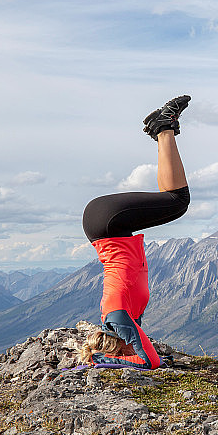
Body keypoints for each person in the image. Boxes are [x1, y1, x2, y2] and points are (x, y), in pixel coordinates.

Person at [78, 95, 192, 369]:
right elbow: (149, 352)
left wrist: (100, 361)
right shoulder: (122, 317)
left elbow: (147, 361)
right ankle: (162, 128)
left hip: (109, 224)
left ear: (119, 348)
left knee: (178, 201)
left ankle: (163, 128)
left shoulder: (118, 319)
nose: (138, 344)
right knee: (172, 199)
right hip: (105, 222)